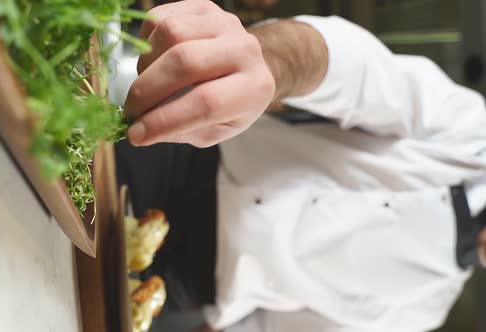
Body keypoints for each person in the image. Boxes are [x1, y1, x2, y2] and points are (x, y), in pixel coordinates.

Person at [116, 0, 486, 331]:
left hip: (179, 284)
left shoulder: (422, 312)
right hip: (186, 154)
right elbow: (354, 72)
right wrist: (268, 65)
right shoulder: (470, 133)